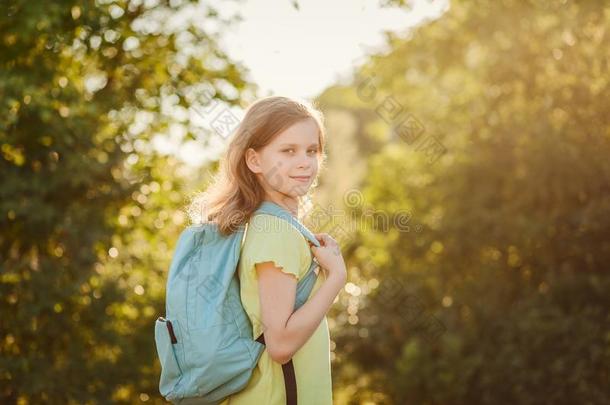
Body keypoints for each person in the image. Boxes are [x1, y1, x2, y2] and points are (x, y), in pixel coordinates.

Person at [186, 96, 347, 404]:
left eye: (312, 150)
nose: (304, 161)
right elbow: (281, 344)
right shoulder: (277, 234)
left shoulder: (271, 225)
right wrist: (337, 276)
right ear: (254, 160)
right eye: (288, 151)